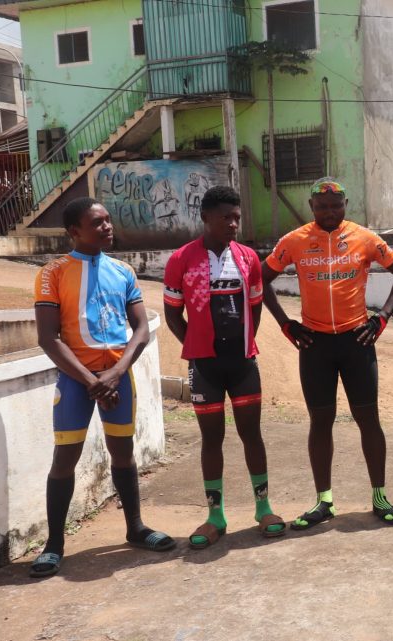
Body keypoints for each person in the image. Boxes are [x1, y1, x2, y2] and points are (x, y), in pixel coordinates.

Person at [29, 198, 174, 577]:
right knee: (65, 458)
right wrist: (93, 381)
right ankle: (54, 545)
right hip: (79, 381)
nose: (107, 226)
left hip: (117, 377)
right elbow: (49, 338)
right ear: (74, 231)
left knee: (123, 453)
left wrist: (116, 372)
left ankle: (136, 528)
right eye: (97, 222)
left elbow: (140, 329)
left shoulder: (123, 271)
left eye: (108, 220)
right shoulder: (52, 273)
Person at [261, 177, 393, 528]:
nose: (329, 211)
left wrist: (383, 317)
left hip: (356, 342)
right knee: (320, 422)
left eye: (336, 205)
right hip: (314, 345)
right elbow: (260, 278)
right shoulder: (294, 241)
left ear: (345, 205)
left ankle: (379, 496)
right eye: (322, 206)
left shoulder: (364, 237)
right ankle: (323, 501)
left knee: (368, 419)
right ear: (311, 207)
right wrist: (286, 324)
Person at [163, 186, 285, 549]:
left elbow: (256, 305)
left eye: (237, 217)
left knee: (252, 434)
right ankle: (215, 515)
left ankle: (263, 507)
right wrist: (197, 347)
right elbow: (172, 313)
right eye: (225, 218)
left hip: (243, 363)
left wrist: (246, 344)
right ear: (205, 218)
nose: (234, 224)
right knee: (211, 438)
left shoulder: (248, 258)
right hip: (205, 367)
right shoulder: (181, 259)